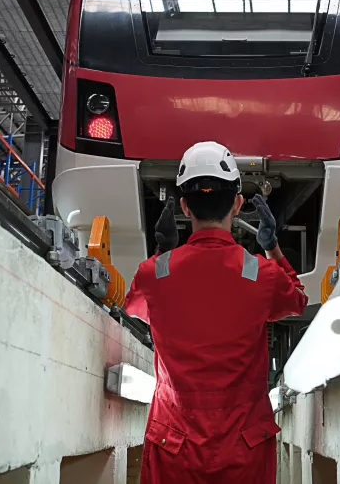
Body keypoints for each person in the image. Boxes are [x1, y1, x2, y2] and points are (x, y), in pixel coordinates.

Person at [124, 141, 308, 484]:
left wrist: (162, 251)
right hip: (245, 448)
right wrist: (272, 248)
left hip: (174, 446)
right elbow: (298, 299)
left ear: (184, 206)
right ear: (237, 203)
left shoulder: (154, 274)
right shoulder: (262, 274)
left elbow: (133, 307)